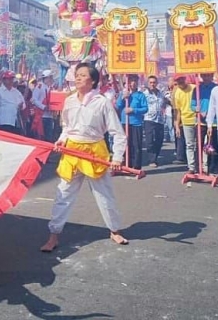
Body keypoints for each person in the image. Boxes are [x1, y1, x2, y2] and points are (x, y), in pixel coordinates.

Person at [40, 63, 128, 252]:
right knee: (63, 194)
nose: (78, 78)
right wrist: (61, 140)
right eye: (77, 75)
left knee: (104, 194)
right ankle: (54, 235)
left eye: (82, 75)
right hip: (72, 152)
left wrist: (118, 157)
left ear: (93, 80)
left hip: (94, 152)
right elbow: (66, 127)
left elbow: (117, 133)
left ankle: (114, 230)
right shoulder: (70, 101)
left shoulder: (102, 102)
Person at [116, 75, 148, 169]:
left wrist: (133, 110)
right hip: (124, 123)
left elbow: (145, 109)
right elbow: (118, 105)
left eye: (134, 81)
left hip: (136, 123)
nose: (133, 83)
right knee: (125, 145)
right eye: (131, 81)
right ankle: (126, 164)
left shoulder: (140, 95)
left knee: (136, 145)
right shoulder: (124, 93)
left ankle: (136, 166)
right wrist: (123, 98)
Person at [191, 73, 218, 174]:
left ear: (212, 76)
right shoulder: (197, 89)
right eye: (204, 76)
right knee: (199, 145)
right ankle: (199, 167)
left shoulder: (216, 88)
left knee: (212, 145)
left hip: (214, 121)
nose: (206, 78)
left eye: (208, 76)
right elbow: (192, 105)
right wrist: (197, 110)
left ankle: (212, 168)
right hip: (200, 122)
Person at [173, 75, 196, 172]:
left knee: (201, 145)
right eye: (178, 80)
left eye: (181, 79)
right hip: (186, 121)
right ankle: (191, 167)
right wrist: (177, 126)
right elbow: (177, 111)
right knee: (189, 145)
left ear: (185, 79)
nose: (180, 82)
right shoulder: (177, 92)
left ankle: (204, 166)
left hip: (198, 120)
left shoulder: (194, 88)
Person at [143, 75, 165, 167]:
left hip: (159, 119)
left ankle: (155, 157)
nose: (152, 84)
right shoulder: (145, 94)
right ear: (148, 83)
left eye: (154, 82)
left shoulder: (161, 94)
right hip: (149, 119)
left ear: (157, 83)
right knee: (150, 140)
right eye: (151, 82)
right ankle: (152, 159)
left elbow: (164, 102)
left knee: (159, 140)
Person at [31, 69, 55, 142]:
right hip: (41, 115)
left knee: (49, 137)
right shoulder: (39, 86)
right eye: (50, 77)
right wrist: (43, 107)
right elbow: (34, 99)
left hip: (50, 116)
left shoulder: (52, 88)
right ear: (46, 78)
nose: (51, 79)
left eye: (51, 77)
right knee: (41, 136)